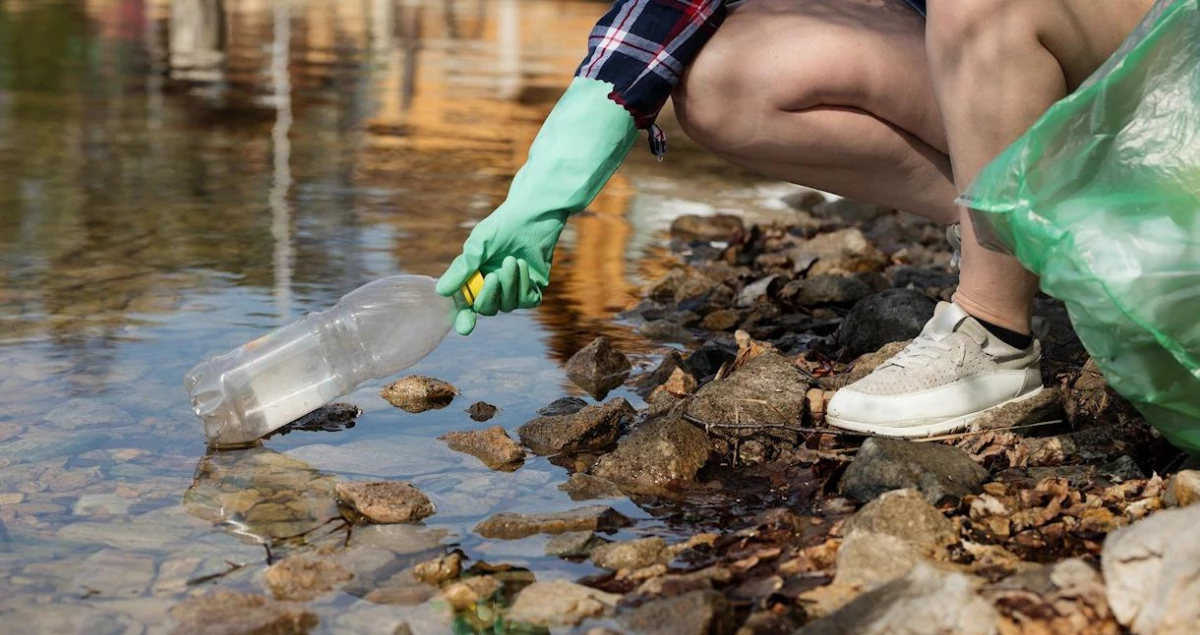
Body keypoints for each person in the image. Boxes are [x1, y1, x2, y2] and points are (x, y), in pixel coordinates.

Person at [436, 0, 1156, 438]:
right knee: (731, 78)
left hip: (1158, 56)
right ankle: (1064, 237)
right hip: (1018, 63)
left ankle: (993, 325)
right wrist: (550, 181)